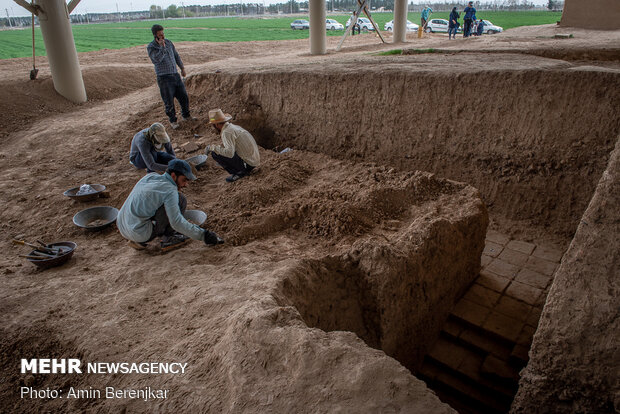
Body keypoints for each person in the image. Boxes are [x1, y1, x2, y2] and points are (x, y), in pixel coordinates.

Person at [117, 159, 223, 252]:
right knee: (181, 200)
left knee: (157, 204)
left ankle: (138, 238)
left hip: (123, 226)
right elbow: (176, 222)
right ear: (173, 176)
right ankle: (168, 238)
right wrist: (204, 235)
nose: (186, 184)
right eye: (184, 180)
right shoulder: (169, 190)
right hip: (139, 232)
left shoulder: (150, 176)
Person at [147, 24, 196, 130]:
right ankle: (173, 121)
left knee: (183, 97)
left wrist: (182, 68)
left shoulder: (169, 43)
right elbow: (156, 60)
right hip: (164, 78)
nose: (162, 36)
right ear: (155, 35)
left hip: (175, 75)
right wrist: (162, 47)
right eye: (160, 35)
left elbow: (176, 55)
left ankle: (186, 116)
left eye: (163, 33)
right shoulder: (151, 47)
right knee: (168, 102)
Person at [205, 109, 260, 183]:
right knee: (220, 149)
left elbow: (229, 153)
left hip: (248, 165)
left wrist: (212, 148)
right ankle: (241, 169)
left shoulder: (226, 132)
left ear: (217, 124)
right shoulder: (232, 127)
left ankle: (239, 172)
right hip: (254, 160)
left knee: (215, 153)